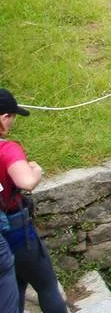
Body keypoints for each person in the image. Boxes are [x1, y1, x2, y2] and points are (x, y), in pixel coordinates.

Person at [0, 88, 67, 313]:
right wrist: (36, 171)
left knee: (12, 285)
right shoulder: (7, 149)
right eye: (12, 117)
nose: (12, 123)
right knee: (46, 285)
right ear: (3, 117)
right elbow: (26, 182)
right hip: (14, 226)